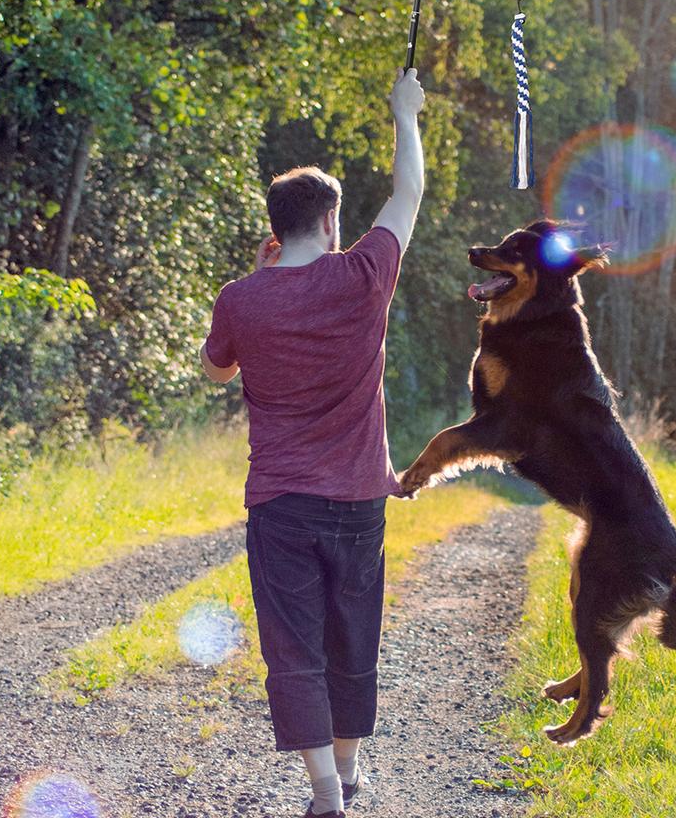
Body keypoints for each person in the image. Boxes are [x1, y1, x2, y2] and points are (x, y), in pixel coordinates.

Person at [199, 67, 425, 818]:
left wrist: (256, 287)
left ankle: (325, 793)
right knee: (351, 636)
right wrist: (404, 112)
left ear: (275, 227)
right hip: (359, 499)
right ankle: (351, 771)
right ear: (330, 222)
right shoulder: (363, 276)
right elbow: (408, 193)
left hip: (281, 504)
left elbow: (212, 373)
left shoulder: (241, 298)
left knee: (293, 648)